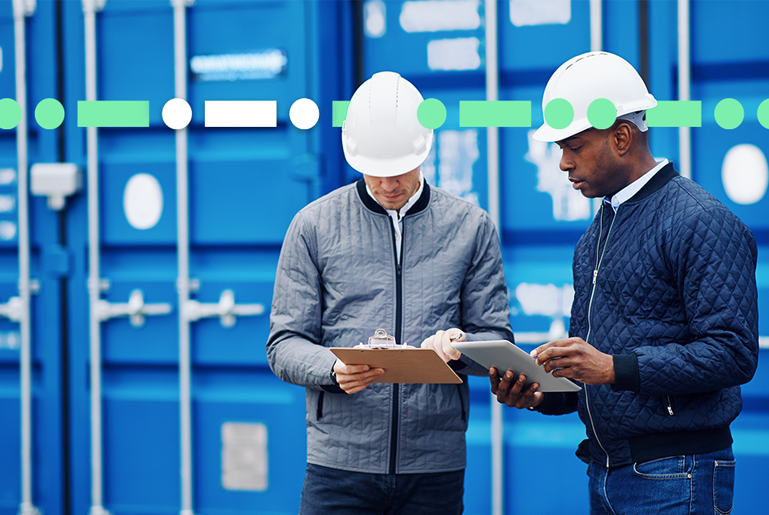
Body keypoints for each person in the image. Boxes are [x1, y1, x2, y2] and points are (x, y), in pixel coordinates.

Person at [490, 52, 758, 515]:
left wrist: (613, 367)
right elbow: (596, 374)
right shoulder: (597, 234)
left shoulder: (702, 221)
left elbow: (733, 352)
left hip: (678, 476)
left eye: (573, 146)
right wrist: (539, 395)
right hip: (606, 473)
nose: (562, 164)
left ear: (620, 137)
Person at [267, 71, 514, 515]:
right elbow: (283, 344)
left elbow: (497, 341)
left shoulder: (471, 228)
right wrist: (333, 368)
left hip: (434, 467)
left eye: (399, 169)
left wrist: (462, 347)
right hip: (338, 468)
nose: (387, 184)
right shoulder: (313, 226)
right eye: (375, 171)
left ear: (424, 150)